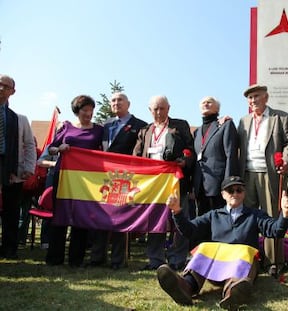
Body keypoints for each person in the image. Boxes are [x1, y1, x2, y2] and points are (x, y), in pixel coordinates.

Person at [156, 176, 288, 310]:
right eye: (230, 191)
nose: (235, 194)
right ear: (223, 194)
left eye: (239, 190)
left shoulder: (255, 215)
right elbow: (190, 230)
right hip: (216, 267)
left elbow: (276, 231)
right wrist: (177, 211)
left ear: (244, 193)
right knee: (204, 248)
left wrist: (285, 214)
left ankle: (234, 293)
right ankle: (185, 286)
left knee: (244, 252)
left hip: (243, 268)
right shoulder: (213, 215)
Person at [238, 84, 288, 277]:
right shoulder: (243, 121)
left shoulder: (280, 117)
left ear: (266, 97)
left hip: (270, 173)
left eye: (256, 96)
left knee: (271, 217)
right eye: (249, 98)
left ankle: (274, 262)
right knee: (246, 219)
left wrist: (287, 160)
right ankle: (250, 259)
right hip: (247, 173)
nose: (253, 101)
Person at [134, 95, 195, 271]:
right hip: (153, 185)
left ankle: (177, 259)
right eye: (155, 109)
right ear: (150, 110)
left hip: (176, 181)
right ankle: (155, 259)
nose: (159, 112)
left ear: (168, 108)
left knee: (179, 220)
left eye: (162, 108)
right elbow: (136, 156)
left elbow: (190, 151)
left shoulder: (180, 125)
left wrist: (184, 161)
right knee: (155, 222)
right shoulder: (144, 131)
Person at [90, 92, 147, 270]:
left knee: (120, 219)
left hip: (125, 178)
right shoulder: (105, 125)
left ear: (128, 103)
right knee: (101, 217)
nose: (116, 103)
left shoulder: (140, 125)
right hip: (105, 178)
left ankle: (117, 260)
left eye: (119, 100)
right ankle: (97, 258)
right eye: (113, 100)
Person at [45, 95, 103, 267]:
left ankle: (76, 259)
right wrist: (59, 148)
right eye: (85, 110)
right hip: (64, 176)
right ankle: (55, 258)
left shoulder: (99, 130)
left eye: (91, 110)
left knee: (82, 217)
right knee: (60, 215)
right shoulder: (66, 127)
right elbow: (51, 148)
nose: (88, 113)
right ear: (77, 111)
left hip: (87, 181)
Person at [0, 74, 36, 259]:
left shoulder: (19, 119)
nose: (1, 88)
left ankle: (9, 248)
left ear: (12, 92)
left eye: (6, 86)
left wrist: (29, 166)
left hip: (12, 167)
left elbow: (30, 144)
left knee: (11, 210)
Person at [192, 96, 239, 216]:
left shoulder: (225, 125)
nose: (206, 104)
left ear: (217, 108)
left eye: (210, 102)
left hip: (218, 185)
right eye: (203, 102)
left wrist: (228, 183)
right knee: (203, 223)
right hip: (200, 185)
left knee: (220, 221)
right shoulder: (197, 132)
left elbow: (231, 155)